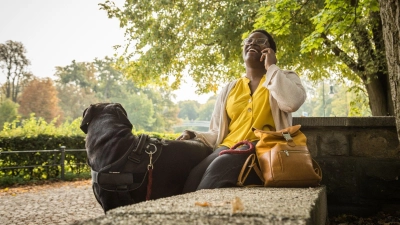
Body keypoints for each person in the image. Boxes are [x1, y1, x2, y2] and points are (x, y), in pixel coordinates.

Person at [177, 29, 307, 193]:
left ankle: (199, 214)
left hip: (265, 149)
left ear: (270, 52)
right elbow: (217, 130)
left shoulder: (284, 77)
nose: (252, 43)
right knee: (194, 176)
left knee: (222, 164)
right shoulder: (230, 88)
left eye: (260, 41)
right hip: (227, 148)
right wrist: (193, 134)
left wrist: (272, 67)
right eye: (249, 41)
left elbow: (292, 103)